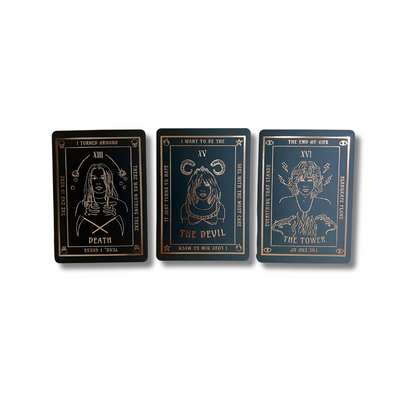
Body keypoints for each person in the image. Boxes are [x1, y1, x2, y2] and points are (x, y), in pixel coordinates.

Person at [272, 161, 336, 237]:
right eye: (301, 181)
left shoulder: (325, 203)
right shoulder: (285, 202)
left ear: (315, 183)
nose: (305, 185)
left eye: (309, 181)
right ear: (295, 183)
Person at [75, 163, 127, 236]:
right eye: (94, 178)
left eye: (102, 178)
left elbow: (126, 233)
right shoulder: (82, 205)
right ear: (89, 181)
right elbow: (75, 232)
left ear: (108, 180)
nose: (98, 182)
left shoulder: (120, 205)